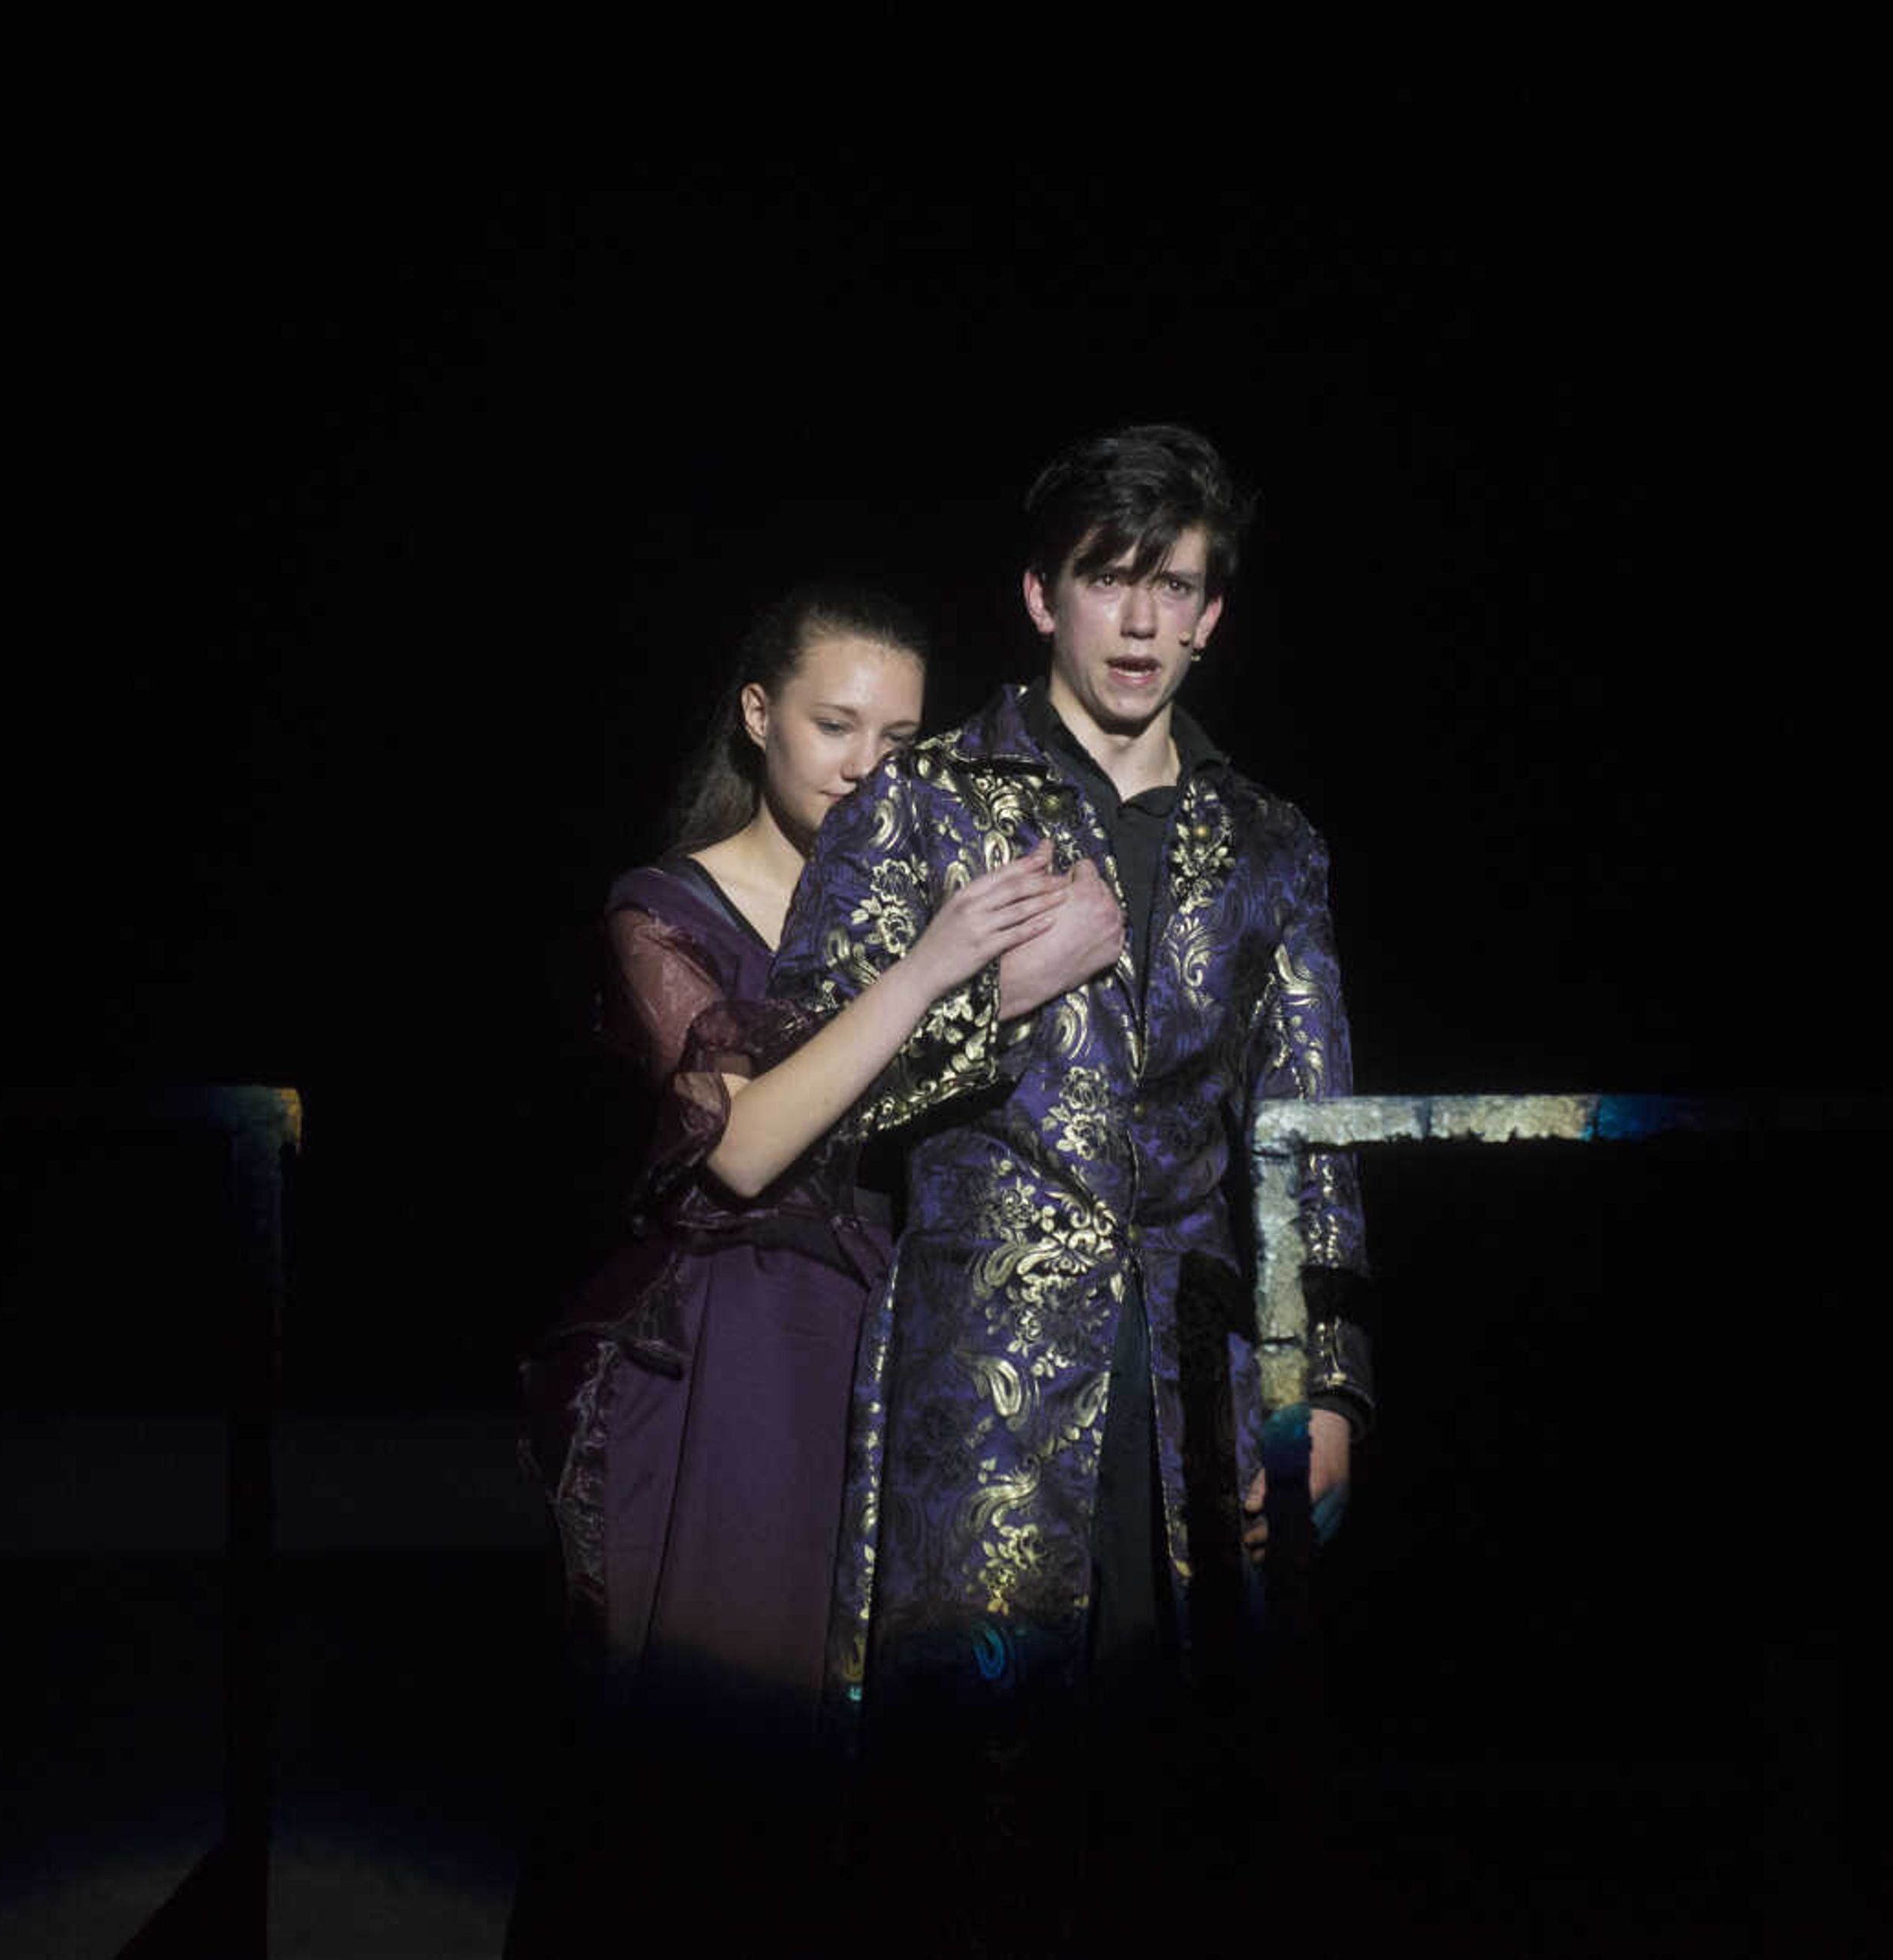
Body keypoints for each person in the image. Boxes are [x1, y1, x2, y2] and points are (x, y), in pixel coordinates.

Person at [762, 426, 1375, 1944]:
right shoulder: (924, 804)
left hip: (1192, 1377)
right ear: (1044, 595)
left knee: (1183, 1804)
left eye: (1177, 585)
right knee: (967, 1810)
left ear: (1215, 612)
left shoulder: (1272, 844)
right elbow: (806, 1093)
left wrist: (1338, 1390)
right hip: (982, 1377)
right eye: (1114, 579)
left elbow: (1316, 1136)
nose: (1147, 620)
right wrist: (988, 994)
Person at [519, 583, 1092, 1744]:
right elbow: (742, 1150)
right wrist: (945, 976)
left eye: (898, 742)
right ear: (757, 714)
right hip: (739, 1342)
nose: (864, 770)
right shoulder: (665, 907)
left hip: (896, 1333)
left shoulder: (917, 910)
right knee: (727, 1739)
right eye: (835, 728)